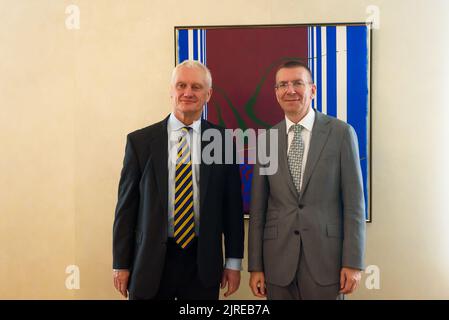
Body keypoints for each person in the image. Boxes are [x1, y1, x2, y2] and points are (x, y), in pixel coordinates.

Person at [112, 60, 244, 300]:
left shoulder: (223, 141)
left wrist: (233, 263)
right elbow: (126, 209)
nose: (187, 92)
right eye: (181, 85)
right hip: (150, 261)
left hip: (202, 262)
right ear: (171, 90)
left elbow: (232, 207)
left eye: (196, 87)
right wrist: (121, 264)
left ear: (208, 94)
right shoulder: (140, 142)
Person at [248, 60, 366, 300]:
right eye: (283, 85)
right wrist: (256, 266)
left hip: (327, 262)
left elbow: (354, 205)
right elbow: (258, 208)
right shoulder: (266, 140)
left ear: (312, 90)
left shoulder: (341, 133)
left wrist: (353, 262)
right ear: (276, 93)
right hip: (277, 263)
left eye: (297, 83)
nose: (290, 90)